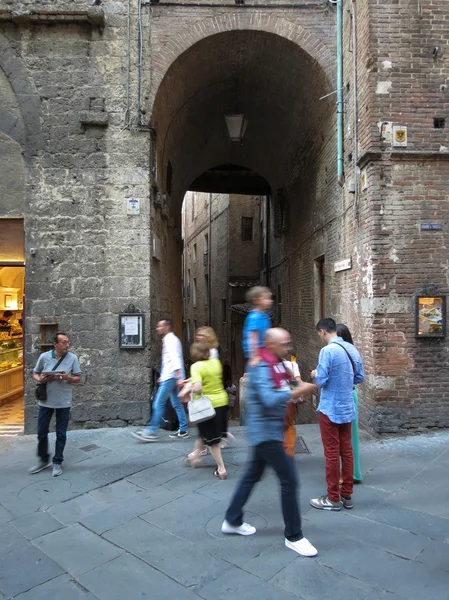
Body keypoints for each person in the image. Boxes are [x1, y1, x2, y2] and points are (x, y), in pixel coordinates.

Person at [222, 328, 318, 558]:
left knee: (252, 476)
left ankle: (232, 519)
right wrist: (296, 390)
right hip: (266, 433)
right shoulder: (261, 367)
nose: (288, 348)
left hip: (269, 431)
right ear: (271, 345)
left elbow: (284, 388)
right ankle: (294, 536)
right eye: (284, 344)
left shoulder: (277, 364)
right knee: (289, 480)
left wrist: (300, 388)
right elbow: (268, 398)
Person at [310, 318, 364, 511]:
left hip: (330, 408)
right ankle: (346, 495)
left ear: (323, 331)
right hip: (347, 407)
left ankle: (333, 497)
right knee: (346, 451)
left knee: (332, 453)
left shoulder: (327, 351)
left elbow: (321, 381)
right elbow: (359, 377)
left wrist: (314, 374)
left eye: (319, 334)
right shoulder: (351, 349)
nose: (320, 338)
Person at [29, 332, 81, 477]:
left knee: (61, 433)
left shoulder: (73, 358)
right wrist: (40, 378)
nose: (67, 345)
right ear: (55, 344)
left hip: (64, 401)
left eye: (67, 342)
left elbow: (77, 378)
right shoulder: (44, 357)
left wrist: (67, 377)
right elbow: (35, 373)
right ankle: (43, 460)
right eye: (64, 342)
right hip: (46, 401)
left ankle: (57, 461)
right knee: (41, 432)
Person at [132, 319, 188, 441]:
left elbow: (175, 359)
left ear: (166, 327)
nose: (157, 328)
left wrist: (178, 377)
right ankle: (183, 430)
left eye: (160, 326)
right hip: (170, 376)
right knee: (177, 403)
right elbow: (171, 360)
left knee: (158, 403)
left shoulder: (170, 340)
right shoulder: (172, 339)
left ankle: (151, 431)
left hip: (171, 377)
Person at [179, 342, 228, 478]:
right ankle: (195, 456)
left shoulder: (196, 367)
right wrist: (191, 381)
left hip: (207, 407)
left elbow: (199, 387)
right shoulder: (215, 362)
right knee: (204, 433)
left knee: (212, 442)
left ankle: (221, 468)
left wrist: (189, 388)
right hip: (222, 402)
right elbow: (208, 377)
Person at [336, 323, 363, 483]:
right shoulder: (353, 352)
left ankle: (349, 474)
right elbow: (360, 377)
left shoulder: (335, 352)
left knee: (343, 439)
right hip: (351, 393)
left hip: (342, 397)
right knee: (350, 438)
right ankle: (353, 473)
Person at [243, 286, 273, 368]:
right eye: (266, 298)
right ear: (256, 301)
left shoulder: (264, 315)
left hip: (264, 350)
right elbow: (253, 336)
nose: (270, 301)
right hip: (258, 352)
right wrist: (254, 356)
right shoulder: (254, 317)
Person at [283, 354, 302, 458]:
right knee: (288, 425)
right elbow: (296, 381)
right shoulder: (293, 364)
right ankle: (289, 452)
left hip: (276, 400)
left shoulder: (270, 365)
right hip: (289, 401)